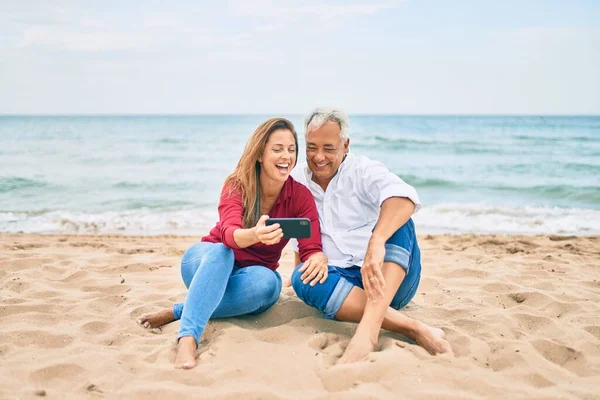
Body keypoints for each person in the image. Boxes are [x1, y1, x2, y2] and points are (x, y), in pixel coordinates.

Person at [138, 117, 327, 369]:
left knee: (271, 285)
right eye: (278, 149)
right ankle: (187, 338)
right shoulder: (237, 184)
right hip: (207, 261)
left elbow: (311, 246)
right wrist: (255, 235)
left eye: (292, 150)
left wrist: (317, 257)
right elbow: (228, 234)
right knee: (223, 253)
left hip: (249, 279)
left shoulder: (300, 195)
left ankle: (179, 310)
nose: (286, 156)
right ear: (260, 153)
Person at [289, 108, 453, 364]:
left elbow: (404, 197)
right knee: (302, 278)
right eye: (312, 147)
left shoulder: (364, 170)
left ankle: (367, 333)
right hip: (343, 284)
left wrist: (376, 243)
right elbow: (300, 230)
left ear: (345, 145)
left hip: (388, 279)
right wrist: (304, 262)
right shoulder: (296, 181)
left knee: (401, 220)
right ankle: (414, 327)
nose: (318, 157)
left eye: (328, 148)